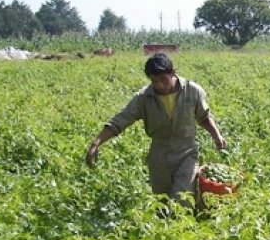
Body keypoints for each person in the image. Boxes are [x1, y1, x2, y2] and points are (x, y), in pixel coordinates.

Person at [86, 53, 227, 206]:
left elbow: (204, 117)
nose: (159, 85)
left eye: (163, 80)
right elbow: (120, 120)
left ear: (173, 72)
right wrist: (96, 143)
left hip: (186, 152)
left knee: (183, 199)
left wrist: (217, 136)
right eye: (154, 81)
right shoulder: (144, 97)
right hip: (159, 155)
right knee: (162, 203)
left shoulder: (192, 91)